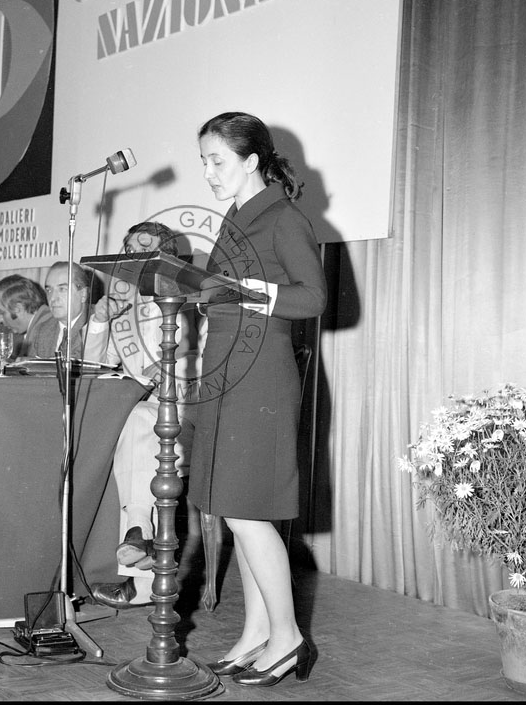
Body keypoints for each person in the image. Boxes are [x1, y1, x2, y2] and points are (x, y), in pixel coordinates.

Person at [188, 112, 326, 686]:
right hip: (226, 374)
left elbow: (313, 297)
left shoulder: (283, 217)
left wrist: (250, 292)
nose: (208, 173)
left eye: (216, 161)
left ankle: (288, 638)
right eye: (204, 162)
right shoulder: (235, 219)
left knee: (247, 512)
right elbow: (222, 290)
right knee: (236, 507)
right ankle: (255, 633)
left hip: (261, 378)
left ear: (251, 161)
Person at [85, 222, 201, 609]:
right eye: (131, 250)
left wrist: (166, 369)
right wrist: (100, 319)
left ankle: (138, 543)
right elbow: (96, 365)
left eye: (146, 250)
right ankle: (139, 554)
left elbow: (199, 357)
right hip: (141, 417)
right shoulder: (124, 305)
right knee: (131, 424)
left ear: (165, 259)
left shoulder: (188, 298)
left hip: (186, 412)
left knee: (137, 423)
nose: (136, 258)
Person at [0, 274, 57, 359]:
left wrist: (5, 364)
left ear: (18, 308)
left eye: (2, 313)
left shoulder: (45, 329)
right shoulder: (39, 323)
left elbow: (42, 366)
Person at [42, 261, 96, 358]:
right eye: (49, 290)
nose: (52, 298)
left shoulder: (98, 328)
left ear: (83, 294)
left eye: (62, 289)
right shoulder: (42, 331)